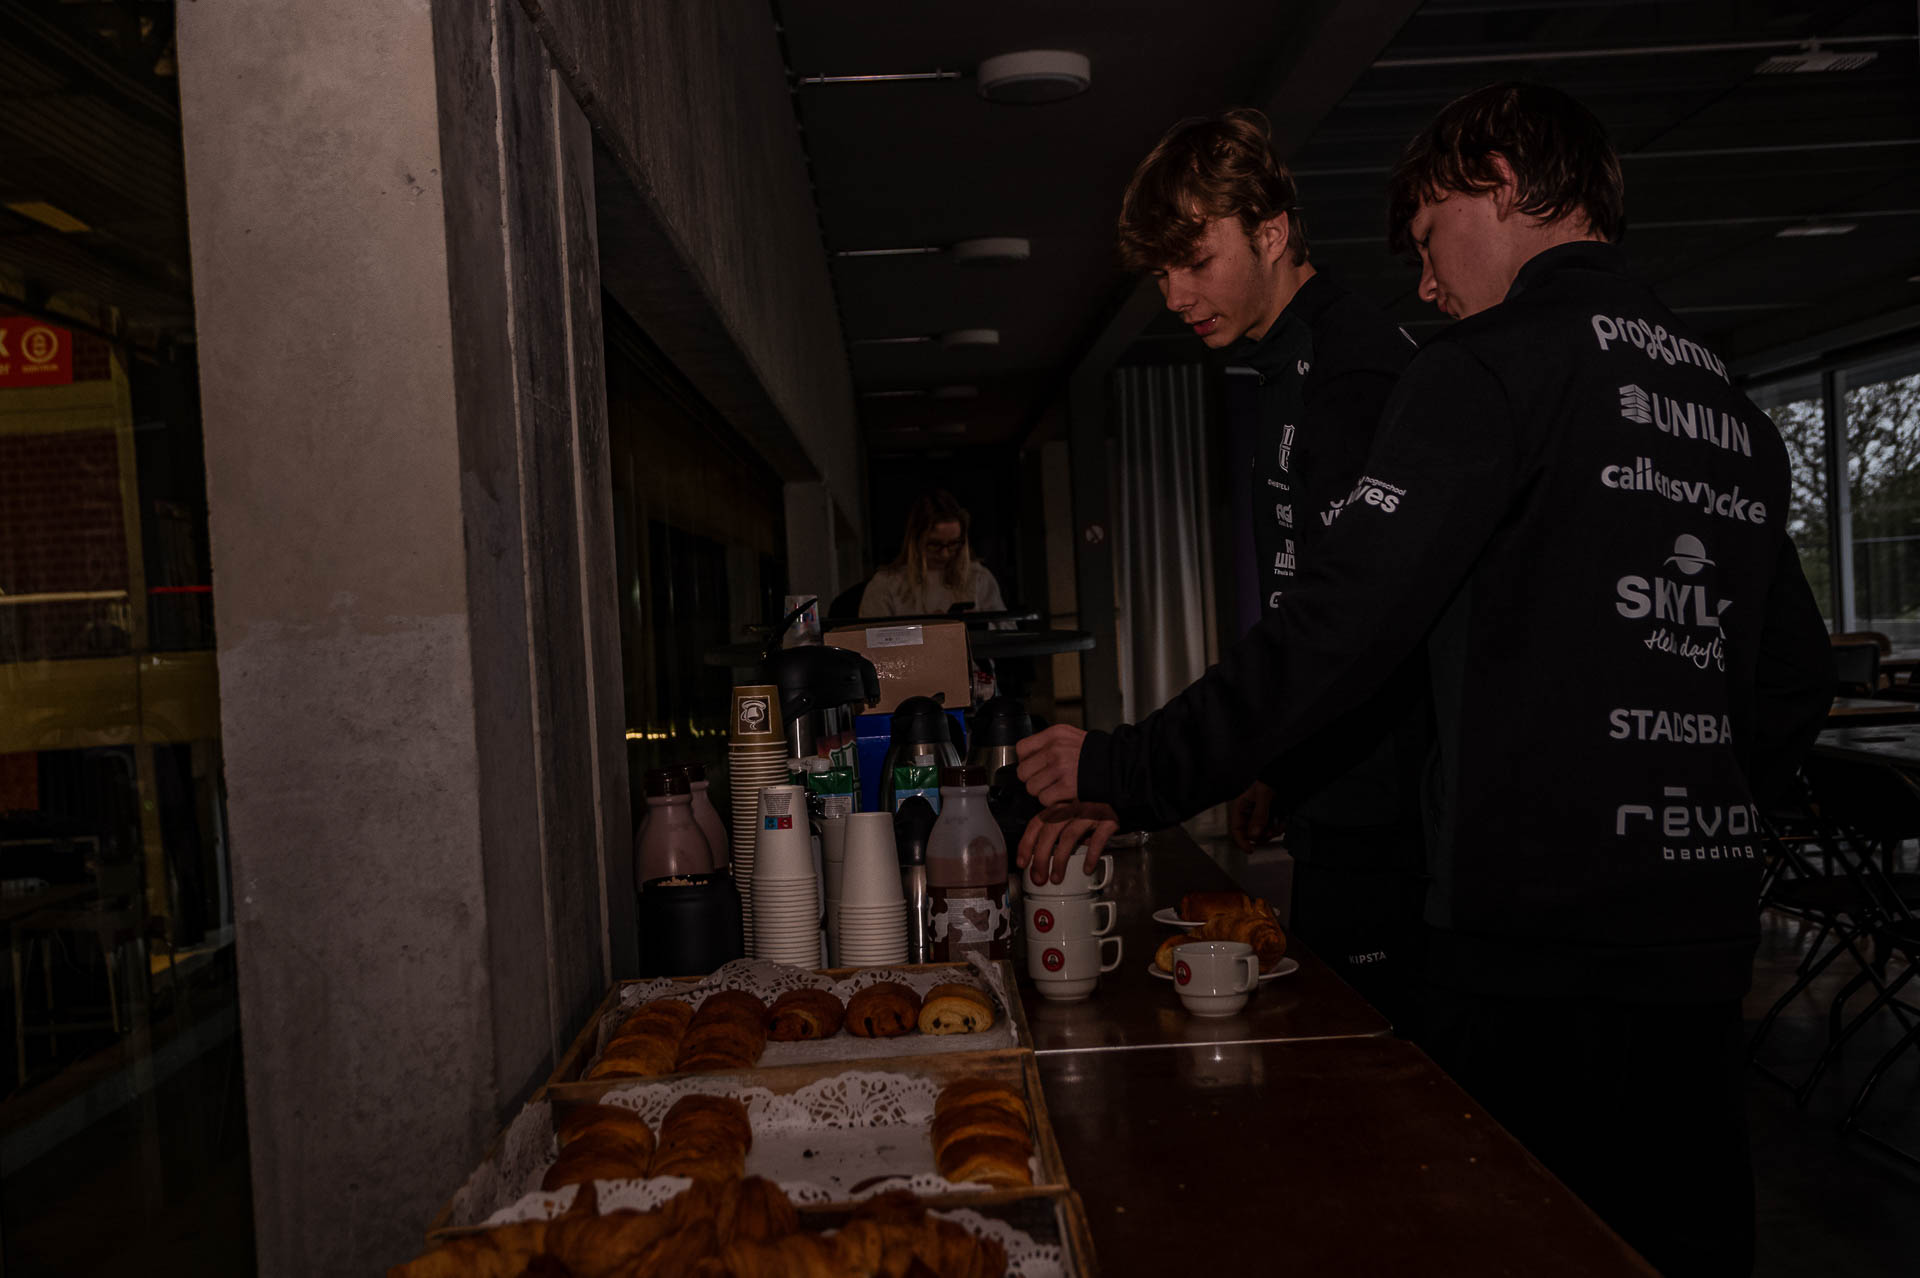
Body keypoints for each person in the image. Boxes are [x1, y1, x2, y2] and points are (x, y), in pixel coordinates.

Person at [1018, 82, 1832, 1276]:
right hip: (1700, 936)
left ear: (1498, 184)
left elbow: (1342, 626)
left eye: (1429, 233)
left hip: (1532, 944)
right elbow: (1791, 679)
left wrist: (1134, 766)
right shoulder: (1724, 403)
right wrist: (1684, 808)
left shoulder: (1489, 367)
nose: (1428, 283)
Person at [1117, 108, 1432, 1033]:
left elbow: (1356, 631)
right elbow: (1304, 588)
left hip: (1393, 817)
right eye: (1161, 274)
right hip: (1337, 790)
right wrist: (1281, 765)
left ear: (1272, 232)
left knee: (1373, 1068)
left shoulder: (1356, 372)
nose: (1176, 296)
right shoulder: (1283, 364)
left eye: (1194, 261)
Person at [859, 490, 1007, 620]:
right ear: (916, 540)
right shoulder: (886, 584)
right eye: (935, 545)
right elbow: (868, 637)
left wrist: (979, 624)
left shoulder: (979, 578)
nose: (945, 554)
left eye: (953, 544)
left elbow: (1006, 629)